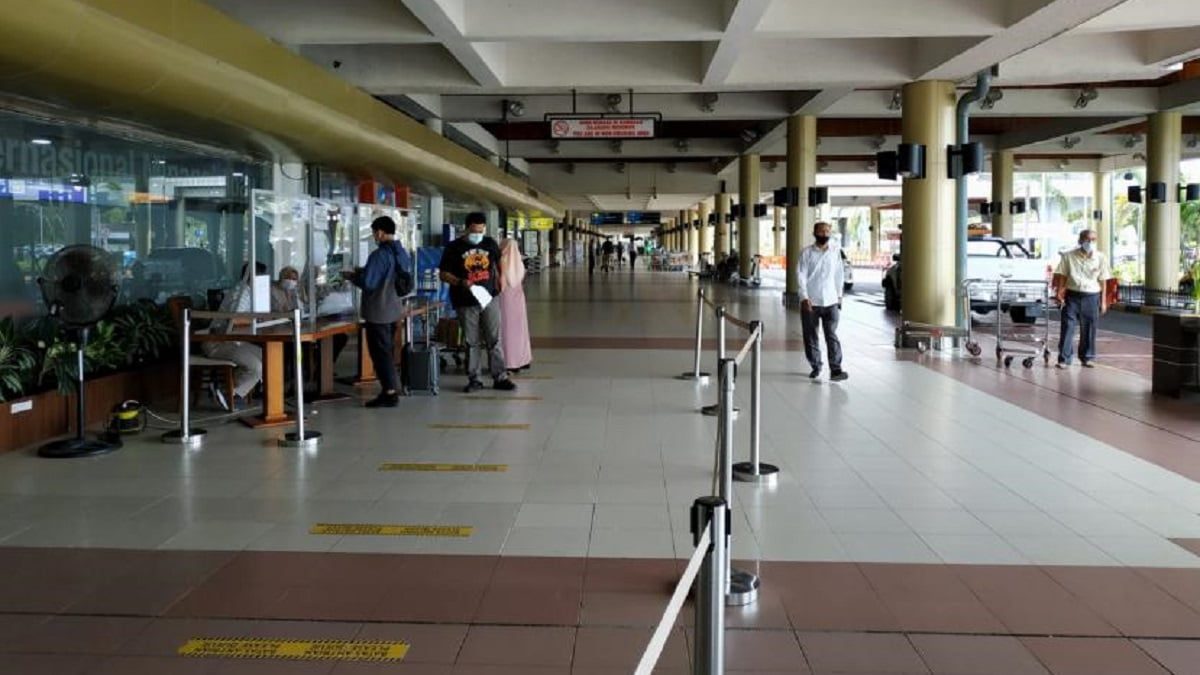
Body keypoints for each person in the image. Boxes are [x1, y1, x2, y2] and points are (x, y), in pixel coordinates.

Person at [439, 212, 517, 392]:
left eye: (481, 231)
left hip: (490, 298)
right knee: (471, 342)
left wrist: (502, 278)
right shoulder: (454, 247)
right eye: (475, 231)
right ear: (466, 228)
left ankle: (500, 377)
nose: (478, 235)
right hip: (465, 300)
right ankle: (475, 379)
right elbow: (443, 273)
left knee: (494, 339)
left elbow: (499, 262)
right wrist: (459, 282)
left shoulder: (489, 243)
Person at [344, 216, 411, 407]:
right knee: (387, 351)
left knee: (380, 353)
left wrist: (353, 276)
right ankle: (391, 387)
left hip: (378, 311)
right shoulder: (401, 253)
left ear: (380, 232)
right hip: (394, 309)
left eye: (374, 232)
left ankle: (389, 392)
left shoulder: (379, 255)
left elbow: (369, 283)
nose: (374, 236)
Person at [203, 261, 267, 410]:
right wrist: (258, 318)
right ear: (253, 276)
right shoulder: (241, 292)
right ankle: (230, 395)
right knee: (257, 367)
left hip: (236, 342)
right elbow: (236, 319)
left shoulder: (252, 291)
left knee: (270, 357)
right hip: (219, 343)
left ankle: (225, 388)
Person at [796, 221, 847, 382]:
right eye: (821, 231)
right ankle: (816, 365)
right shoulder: (806, 253)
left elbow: (839, 274)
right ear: (814, 232)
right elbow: (800, 275)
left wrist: (839, 296)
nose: (824, 234)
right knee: (811, 336)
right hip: (811, 301)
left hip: (831, 300)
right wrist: (804, 297)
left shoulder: (834, 251)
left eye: (827, 231)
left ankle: (836, 369)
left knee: (831, 335)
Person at [1052, 229, 1110, 369]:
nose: (1090, 242)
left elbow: (1103, 281)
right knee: (1067, 327)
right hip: (1072, 296)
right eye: (1087, 239)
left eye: (1093, 240)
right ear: (1080, 241)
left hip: (1091, 296)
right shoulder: (1068, 256)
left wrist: (1103, 302)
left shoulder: (1101, 258)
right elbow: (1062, 275)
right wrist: (1059, 293)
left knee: (1089, 328)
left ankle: (1087, 357)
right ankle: (1064, 359)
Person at [498, 238, 532, 372]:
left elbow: (501, 284)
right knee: (521, 330)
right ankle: (523, 359)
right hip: (518, 299)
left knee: (507, 330)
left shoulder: (503, 261)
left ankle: (510, 362)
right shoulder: (518, 261)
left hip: (506, 299)